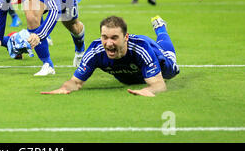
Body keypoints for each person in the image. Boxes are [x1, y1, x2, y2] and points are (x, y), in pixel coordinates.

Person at [41, 15, 179, 96]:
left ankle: (160, 28)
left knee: (171, 67)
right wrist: (65, 88)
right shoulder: (95, 52)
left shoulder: (140, 48)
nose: (108, 43)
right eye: (104, 37)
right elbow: (76, 82)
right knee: (129, 81)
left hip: (156, 59)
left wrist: (147, 90)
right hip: (130, 76)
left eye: (114, 38)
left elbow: (159, 85)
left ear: (126, 37)